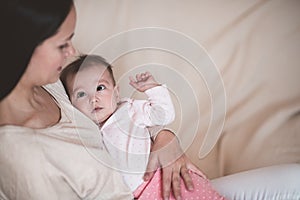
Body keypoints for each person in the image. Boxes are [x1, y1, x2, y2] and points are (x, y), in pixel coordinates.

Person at [0, 0, 218, 199]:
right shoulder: (22, 158)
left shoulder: (52, 83)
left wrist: (165, 138)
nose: (72, 52)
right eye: (62, 45)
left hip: (171, 180)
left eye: (101, 88)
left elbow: (153, 117)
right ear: (22, 45)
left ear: (116, 92)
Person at [60, 54, 225, 200]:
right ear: (70, 104)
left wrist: (153, 90)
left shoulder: (128, 110)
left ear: (116, 93)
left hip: (161, 177)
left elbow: (164, 115)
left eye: (100, 88)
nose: (93, 98)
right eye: (81, 94)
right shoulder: (84, 133)